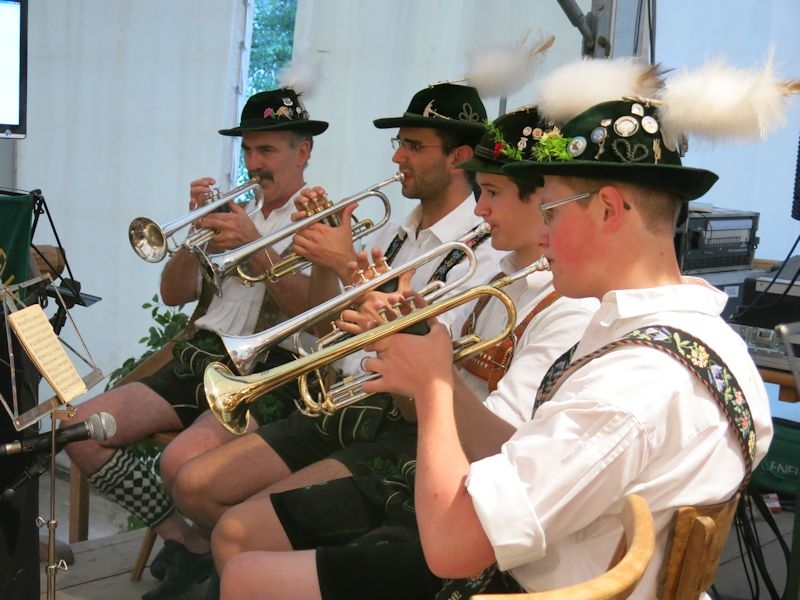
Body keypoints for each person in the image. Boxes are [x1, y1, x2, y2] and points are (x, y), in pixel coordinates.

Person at [343, 93, 775, 596]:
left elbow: (449, 546)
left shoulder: (632, 384)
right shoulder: (712, 339)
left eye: (550, 213)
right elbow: (528, 456)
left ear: (608, 209)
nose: (542, 236)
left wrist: (434, 388)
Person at [211, 105, 601, 600]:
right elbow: (406, 395)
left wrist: (414, 348)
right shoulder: (498, 274)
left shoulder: (552, 301)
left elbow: (489, 455)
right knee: (231, 528)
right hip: (414, 450)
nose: (479, 209)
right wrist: (399, 336)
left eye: (492, 193)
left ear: (544, 200)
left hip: (446, 487)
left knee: (240, 544)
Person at [169, 82, 505, 541]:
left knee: (242, 524)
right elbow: (326, 323)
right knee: (193, 485)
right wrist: (325, 259)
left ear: (459, 157)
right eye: (399, 143)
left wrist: (344, 262)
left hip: (392, 419)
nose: (397, 157)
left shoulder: (482, 250)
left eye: (414, 146)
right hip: (339, 398)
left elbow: (425, 349)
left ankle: (273, 557)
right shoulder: (396, 233)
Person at [65, 86, 328, 599]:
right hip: (200, 356)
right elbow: (173, 294)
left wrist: (255, 245)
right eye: (247, 150)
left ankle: (226, 560)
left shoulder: (318, 218)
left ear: (303, 152)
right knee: (80, 430)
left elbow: (314, 316)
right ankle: (186, 542)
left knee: (179, 463)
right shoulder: (234, 213)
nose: (254, 162)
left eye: (267, 150)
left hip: (267, 368)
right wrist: (193, 236)